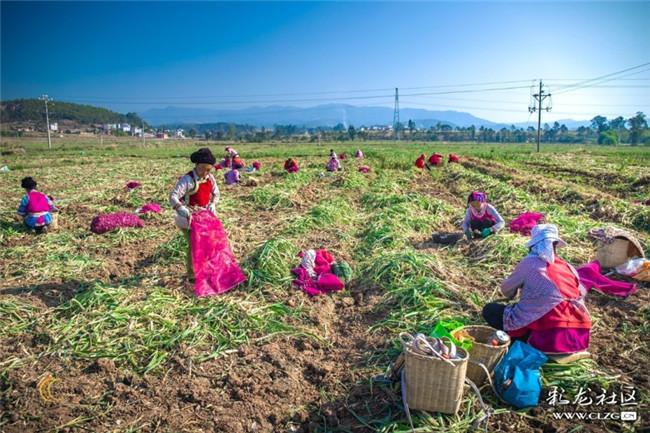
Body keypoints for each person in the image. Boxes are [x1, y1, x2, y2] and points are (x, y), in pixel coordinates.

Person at [482, 224, 591, 354]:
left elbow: (506, 289)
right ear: (555, 245)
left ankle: (521, 341)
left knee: (490, 310)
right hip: (578, 337)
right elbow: (580, 293)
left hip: (550, 337)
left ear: (534, 245)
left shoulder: (530, 263)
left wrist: (514, 293)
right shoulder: (568, 267)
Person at [169, 148, 219, 280]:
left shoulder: (210, 178)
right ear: (197, 165)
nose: (206, 172)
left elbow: (216, 193)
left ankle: (206, 268)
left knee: (208, 243)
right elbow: (173, 196)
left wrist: (213, 203)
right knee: (194, 245)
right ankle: (192, 274)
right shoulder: (188, 180)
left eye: (209, 169)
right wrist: (181, 208)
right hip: (188, 218)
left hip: (204, 216)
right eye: (203, 168)